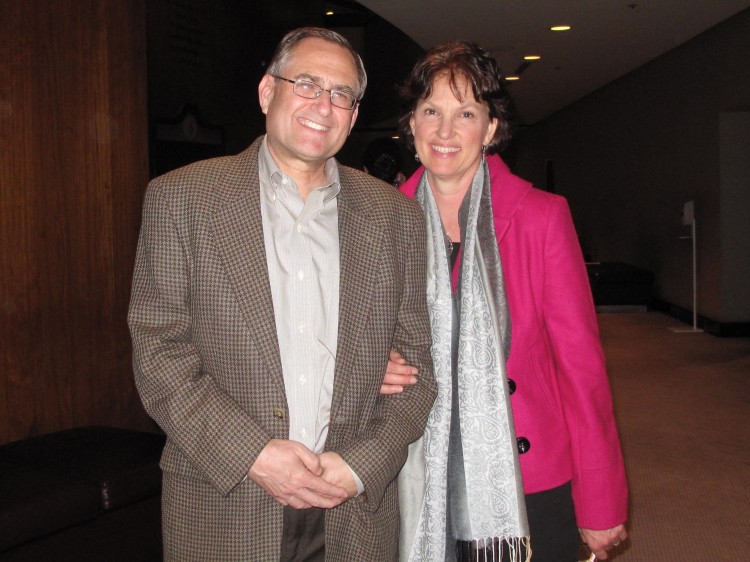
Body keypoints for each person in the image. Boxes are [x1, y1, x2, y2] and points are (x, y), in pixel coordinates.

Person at [128, 27, 436, 561]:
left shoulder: (396, 217)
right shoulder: (181, 199)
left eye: (342, 94)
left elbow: (419, 374)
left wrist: (362, 465)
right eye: (308, 83)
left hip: (352, 507)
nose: (325, 104)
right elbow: (159, 354)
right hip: (225, 499)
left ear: (354, 116)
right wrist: (254, 454)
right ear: (268, 91)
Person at [382, 41, 628, 562]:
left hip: (525, 479)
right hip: (414, 472)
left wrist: (600, 501)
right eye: (431, 111)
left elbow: (581, 370)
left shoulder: (542, 217)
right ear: (412, 124)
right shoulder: (383, 221)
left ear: (490, 129)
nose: (445, 132)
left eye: (465, 113)